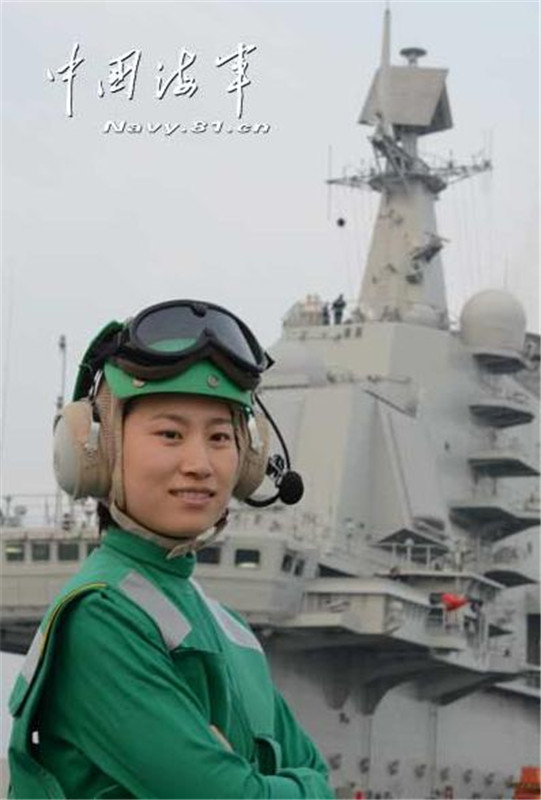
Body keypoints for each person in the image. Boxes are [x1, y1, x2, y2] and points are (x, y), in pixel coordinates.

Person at [8, 299, 335, 800]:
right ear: (98, 452)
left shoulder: (232, 630)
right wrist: (283, 785)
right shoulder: (99, 618)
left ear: (249, 461)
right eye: (170, 434)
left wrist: (260, 784)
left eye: (220, 436)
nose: (199, 463)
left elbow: (320, 777)